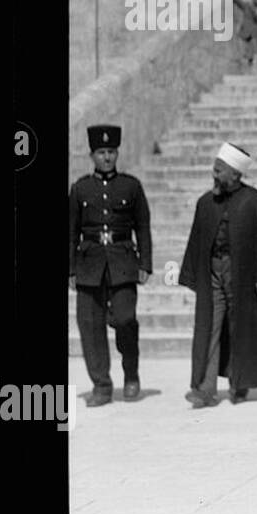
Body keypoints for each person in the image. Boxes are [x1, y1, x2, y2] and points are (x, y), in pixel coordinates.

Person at [179, 143, 257, 407]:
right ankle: (205, 389)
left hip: (244, 275)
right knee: (210, 328)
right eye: (214, 169)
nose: (214, 175)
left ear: (235, 174)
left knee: (242, 328)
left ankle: (240, 383)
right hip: (213, 273)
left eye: (219, 171)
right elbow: (196, 240)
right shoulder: (205, 203)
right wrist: (194, 277)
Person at [69, 124, 152, 407]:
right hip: (89, 263)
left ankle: (131, 373)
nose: (107, 158)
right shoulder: (80, 188)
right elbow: (71, 232)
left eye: (111, 152)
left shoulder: (131, 186)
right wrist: (70, 270)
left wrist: (146, 263)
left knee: (125, 318)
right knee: (89, 325)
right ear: (92, 155)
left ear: (117, 153)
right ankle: (102, 386)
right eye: (101, 152)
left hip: (123, 261)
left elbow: (142, 226)